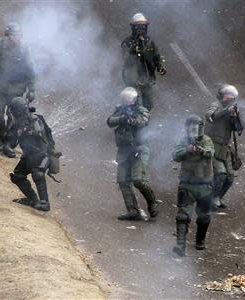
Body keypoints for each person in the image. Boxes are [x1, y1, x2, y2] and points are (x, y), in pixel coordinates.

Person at [107, 87, 158, 220]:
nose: (127, 101)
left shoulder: (141, 110)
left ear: (135, 99)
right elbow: (110, 121)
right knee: (123, 181)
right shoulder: (120, 110)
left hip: (139, 149)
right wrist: (122, 118)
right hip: (124, 150)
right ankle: (132, 210)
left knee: (138, 180)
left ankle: (152, 203)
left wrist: (132, 120)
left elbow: (143, 121)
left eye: (129, 99)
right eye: (125, 99)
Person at [0, 23, 36, 157]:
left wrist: (32, 89)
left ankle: (8, 143)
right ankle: (2, 138)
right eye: (14, 35)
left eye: (19, 35)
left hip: (17, 89)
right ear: (8, 35)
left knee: (13, 118)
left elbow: (31, 70)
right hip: (1, 87)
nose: (16, 38)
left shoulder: (24, 50)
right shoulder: (1, 44)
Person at [172, 115, 214, 256]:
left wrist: (201, 150)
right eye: (191, 128)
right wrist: (187, 150)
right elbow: (175, 155)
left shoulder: (207, 140)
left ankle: (200, 240)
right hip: (187, 184)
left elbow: (210, 153)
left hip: (204, 185)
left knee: (204, 217)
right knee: (182, 216)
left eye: (196, 128)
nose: (193, 131)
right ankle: (180, 245)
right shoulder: (183, 141)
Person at [7, 97, 56, 212]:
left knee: (37, 174)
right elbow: (12, 143)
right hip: (29, 155)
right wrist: (8, 140)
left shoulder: (35, 120)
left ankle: (45, 203)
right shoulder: (17, 123)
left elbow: (39, 134)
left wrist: (24, 131)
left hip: (43, 154)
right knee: (17, 176)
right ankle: (33, 200)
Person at [205, 85, 244, 209]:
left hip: (224, 149)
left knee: (230, 178)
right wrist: (226, 111)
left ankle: (217, 198)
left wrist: (235, 117)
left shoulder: (231, 110)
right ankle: (211, 199)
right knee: (221, 174)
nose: (230, 99)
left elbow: (239, 128)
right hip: (212, 145)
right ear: (223, 96)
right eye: (229, 96)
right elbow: (210, 117)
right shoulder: (216, 105)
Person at [121, 13, 166, 111]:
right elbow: (125, 59)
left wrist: (160, 67)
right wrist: (133, 49)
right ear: (133, 28)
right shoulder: (127, 42)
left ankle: (145, 120)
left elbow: (156, 56)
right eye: (137, 27)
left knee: (148, 105)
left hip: (146, 78)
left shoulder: (149, 41)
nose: (140, 29)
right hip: (132, 79)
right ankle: (131, 122)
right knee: (133, 104)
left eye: (142, 26)